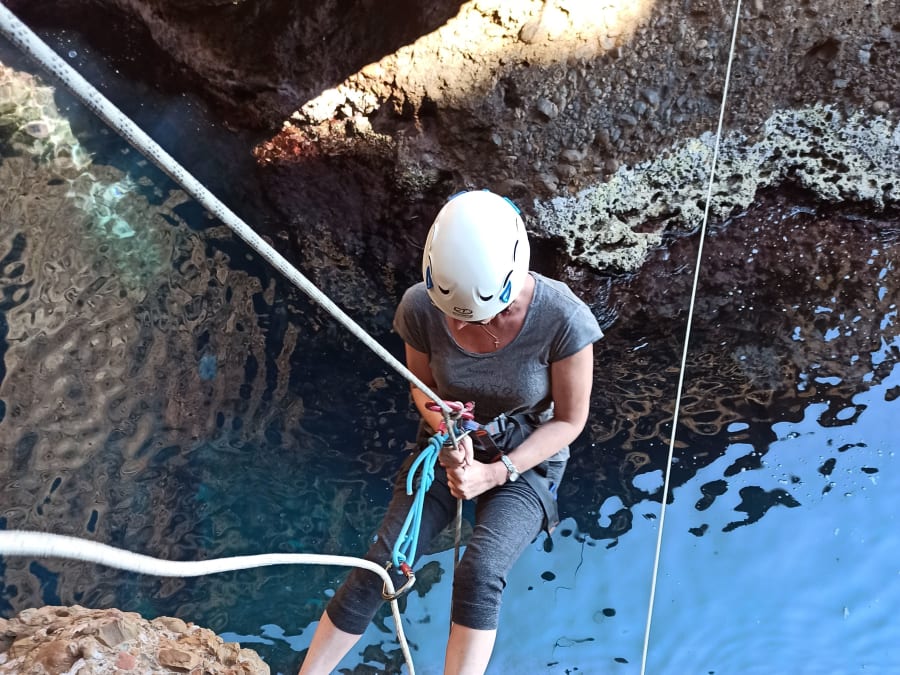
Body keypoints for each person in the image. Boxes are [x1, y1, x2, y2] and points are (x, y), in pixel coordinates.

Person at [298, 189, 603, 674]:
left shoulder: (563, 318)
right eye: (455, 315)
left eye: (480, 315)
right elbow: (424, 389)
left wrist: (495, 473)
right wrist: (448, 431)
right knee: (384, 560)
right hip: (446, 445)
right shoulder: (421, 307)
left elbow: (570, 420)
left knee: (480, 573)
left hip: (526, 459)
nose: (463, 325)